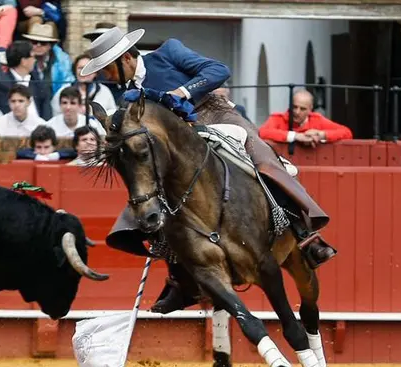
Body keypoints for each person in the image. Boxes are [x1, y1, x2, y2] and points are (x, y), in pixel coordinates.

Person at [79, 27, 337, 313]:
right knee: (158, 197)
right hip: (182, 144)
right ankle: (181, 283)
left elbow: (218, 70)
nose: (104, 76)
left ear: (126, 58)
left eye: (107, 69)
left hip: (214, 113)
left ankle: (305, 234)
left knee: (263, 157)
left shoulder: (167, 52)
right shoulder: (128, 97)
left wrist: (182, 91)